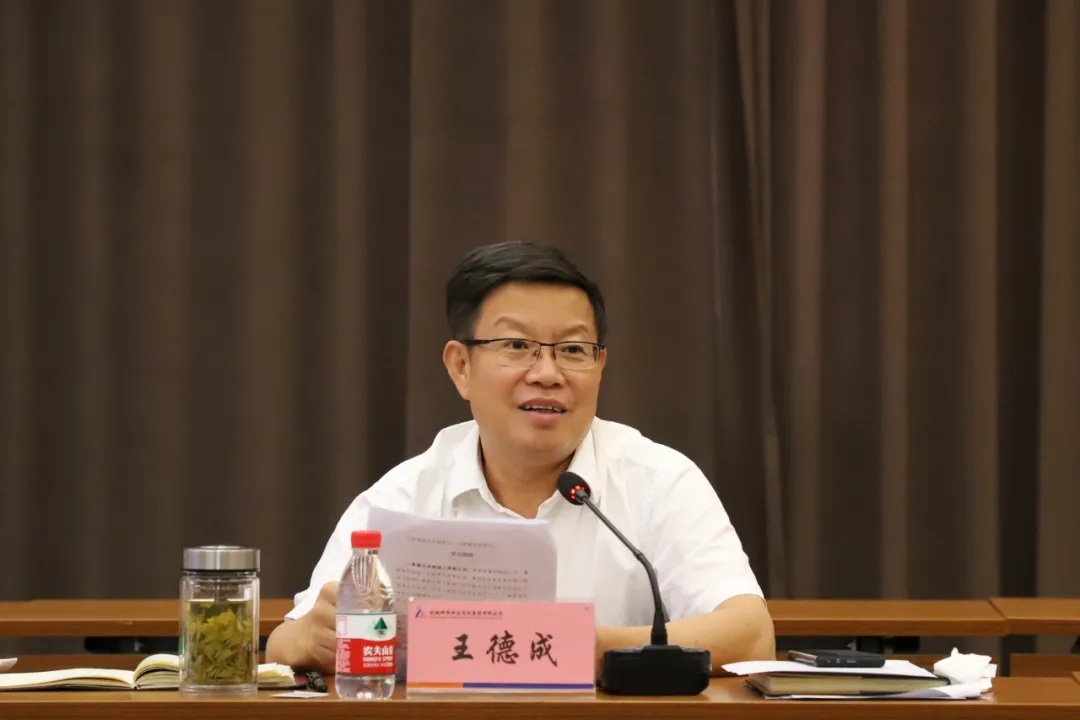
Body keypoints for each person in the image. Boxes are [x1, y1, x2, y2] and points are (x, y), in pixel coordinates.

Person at [265, 241, 775, 674]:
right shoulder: (404, 496)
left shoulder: (658, 480)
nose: (547, 373)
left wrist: (585, 649)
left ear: (600, 366)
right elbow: (285, 644)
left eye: (572, 350)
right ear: (461, 367)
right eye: (516, 345)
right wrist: (314, 637)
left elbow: (751, 634)